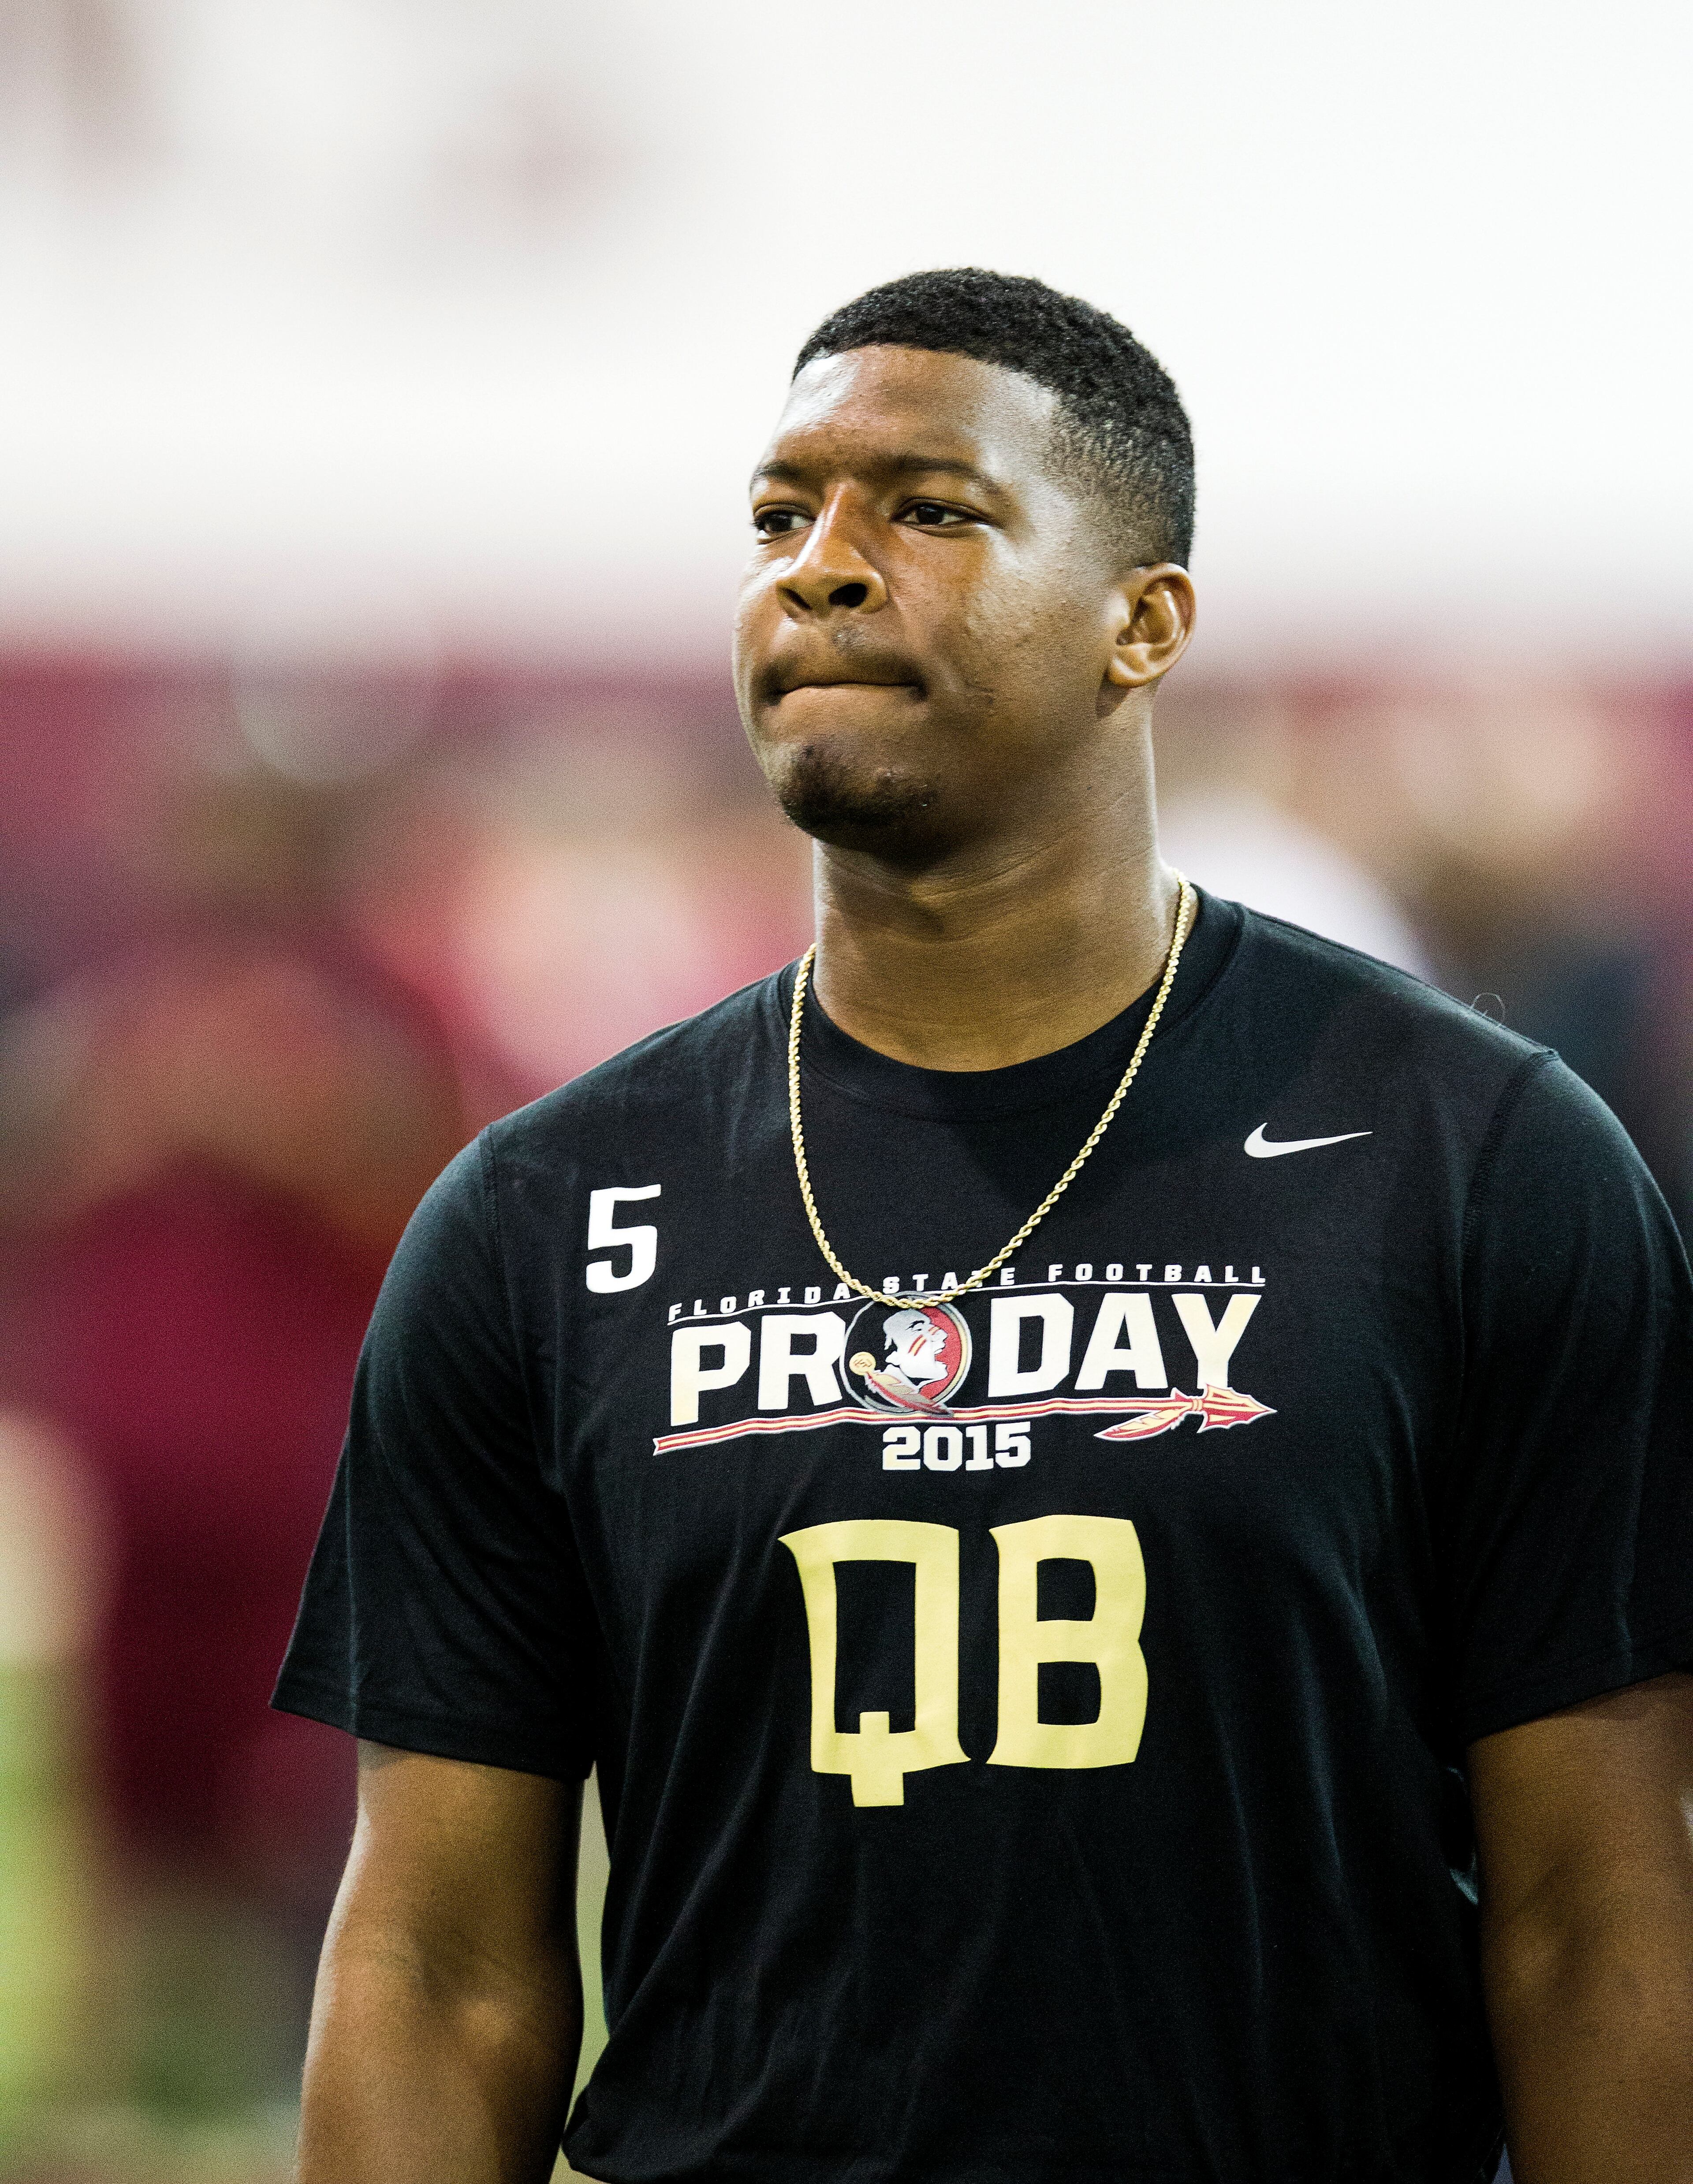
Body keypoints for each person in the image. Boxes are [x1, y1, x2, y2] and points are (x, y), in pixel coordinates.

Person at [274, 271, 1693, 2184]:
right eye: (782, 518)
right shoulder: (540, 1217)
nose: (825, 570)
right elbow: (441, 1966)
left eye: (929, 510)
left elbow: (1595, 1924)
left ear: (1144, 622)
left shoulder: (1478, 1157)